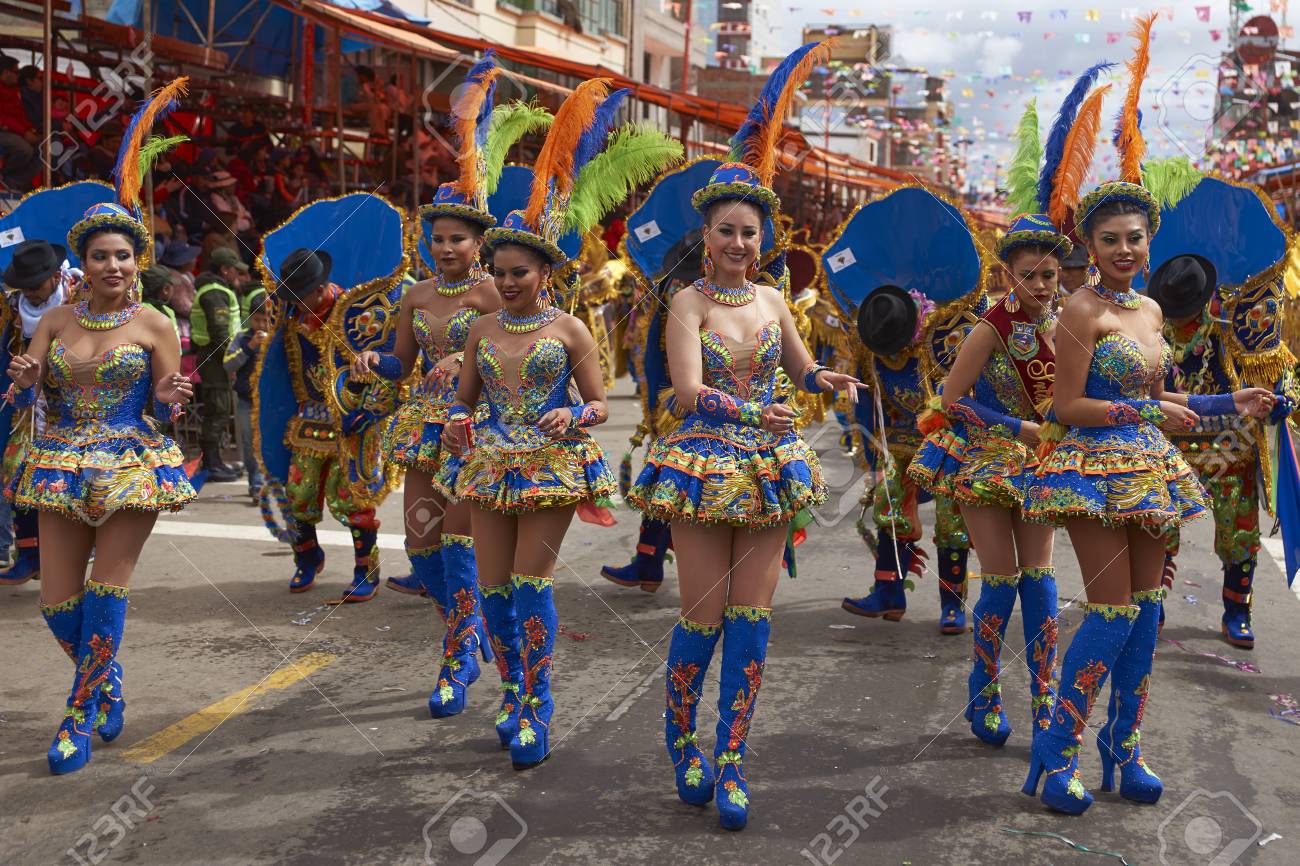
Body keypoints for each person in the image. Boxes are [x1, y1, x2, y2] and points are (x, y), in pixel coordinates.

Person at [1021, 15, 1274, 815]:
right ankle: (1054, 756)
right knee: (1110, 613)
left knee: (1148, 615)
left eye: (1135, 238)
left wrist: (1225, 400)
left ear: (1150, 242)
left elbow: (1164, 398)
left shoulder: (1154, 316)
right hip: (1097, 471)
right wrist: (1138, 411)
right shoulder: (1078, 312)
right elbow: (1065, 405)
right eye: (1110, 240)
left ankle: (1122, 754)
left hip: (1153, 472)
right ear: (1088, 247)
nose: (1125, 250)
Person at [627, 42, 866, 831]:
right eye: (727, 231)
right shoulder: (686, 304)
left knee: (752, 621)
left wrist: (826, 379)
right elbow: (691, 392)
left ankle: (731, 760)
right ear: (706, 236)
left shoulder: (773, 299)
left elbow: (799, 370)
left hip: (768, 468)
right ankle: (680, 746)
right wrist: (746, 413)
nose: (738, 244)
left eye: (750, 233)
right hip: (703, 464)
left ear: (764, 239)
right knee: (702, 615)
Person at [438, 76, 680, 769]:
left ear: (544, 271)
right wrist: (458, 420)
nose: (508, 282)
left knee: (530, 582)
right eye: (500, 272)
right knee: (491, 592)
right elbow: (465, 397)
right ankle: (512, 692)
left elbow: (602, 404)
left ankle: (537, 708)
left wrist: (572, 412)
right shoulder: (481, 329)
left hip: (548, 465)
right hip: (487, 463)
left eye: (519, 272)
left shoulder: (571, 329)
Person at [7, 80, 196, 775]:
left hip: (125, 458)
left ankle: (79, 716)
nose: (112, 267)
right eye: (99, 257)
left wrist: (175, 396)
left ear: (135, 262)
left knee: (107, 594)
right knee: (58, 604)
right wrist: (27, 379)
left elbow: (169, 400)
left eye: (123, 257)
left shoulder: (154, 323)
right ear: (80, 266)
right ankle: (107, 683)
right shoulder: (55, 319)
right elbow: (30, 373)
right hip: (58, 458)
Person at [353, 54, 548, 720]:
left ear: (479, 242)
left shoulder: (499, 294)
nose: (444, 249)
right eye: (436, 239)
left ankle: (459, 657)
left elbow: (521, 361)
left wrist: (467, 363)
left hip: (478, 434)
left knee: (464, 548)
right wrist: (370, 363)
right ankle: (464, 636)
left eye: (456, 240)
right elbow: (401, 362)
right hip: (420, 429)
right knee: (421, 547)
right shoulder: (414, 296)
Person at [1140, 173, 1300, 650]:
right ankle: (1154, 606)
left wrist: (1285, 398)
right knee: (1157, 528)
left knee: (1238, 534)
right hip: (1167, 447)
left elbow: (1280, 369)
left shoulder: (1232, 329)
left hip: (1230, 450)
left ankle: (1237, 612)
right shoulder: (1150, 330)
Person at [0, 239, 72, 586]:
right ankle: (29, 555)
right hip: (29, 407)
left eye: (36, 285)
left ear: (56, 277)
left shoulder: (81, 300)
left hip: (75, 405)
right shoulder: (12, 308)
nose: (29, 292)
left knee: (70, 480)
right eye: (24, 286)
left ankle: (70, 553)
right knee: (16, 474)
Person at [191, 246, 248, 481]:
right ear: (224, 270)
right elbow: (220, 333)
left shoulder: (218, 289)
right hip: (215, 358)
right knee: (218, 409)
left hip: (216, 357)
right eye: (235, 270)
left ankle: (215, 461)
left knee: (220, 409)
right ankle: (211, 464)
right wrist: (233, 361)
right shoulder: (215, 292)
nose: (238, 275)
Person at [224, 286, 268, 500]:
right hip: (246, 401)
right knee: (250, 445)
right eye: (257, 320)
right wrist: (250, 347)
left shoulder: (277, 340)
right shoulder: (241, 339)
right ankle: (256, 484)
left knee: (268, 444)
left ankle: (268, 484)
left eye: (265, 320)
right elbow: (228, 365)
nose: (261, 325)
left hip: (271, 402)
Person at [0, 56, 39, 191]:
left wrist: (30, 129)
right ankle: (5, 178)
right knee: (24, 149)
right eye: (16, 72)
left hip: (13, 130)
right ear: (5, 73)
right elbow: (3, 119)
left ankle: (13, 181)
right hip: (4, 130)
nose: (19, 76)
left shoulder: (15, 89)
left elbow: (20, 114)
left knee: (46, 149)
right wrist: (24, 132)